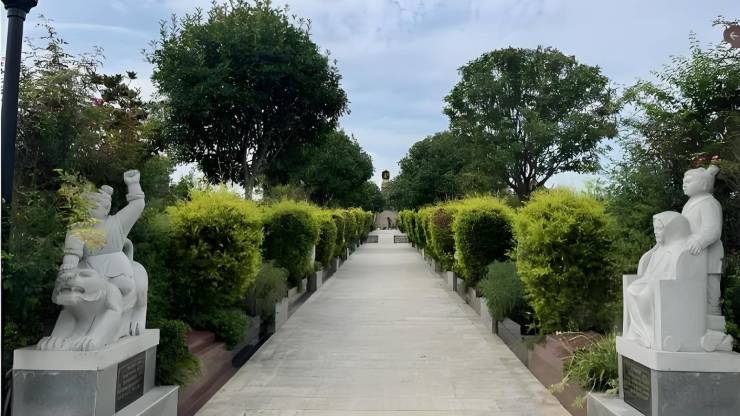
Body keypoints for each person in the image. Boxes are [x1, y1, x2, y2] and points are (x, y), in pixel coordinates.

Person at [59, 170, 145, 310]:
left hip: (116, 268)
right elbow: (72, 250)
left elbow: (137, 205)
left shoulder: (117, 222)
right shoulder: (78, 227)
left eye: (94, 205)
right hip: (88, 269)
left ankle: (120, 310)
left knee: (125, 286)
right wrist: (69, 264)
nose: (89, 208)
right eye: (86, 204)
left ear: (107, 207)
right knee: (75, 289)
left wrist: (133, 184)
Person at [624, 211, 692, 348]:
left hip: (666, 288)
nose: (656, 232)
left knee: (646, 293)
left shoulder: (678, 251)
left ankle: (649, 333)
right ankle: (640, 332)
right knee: (631, 290)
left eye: (660, 229)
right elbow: (649, 273)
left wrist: (652, 282)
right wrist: (643, 281)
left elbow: (672, 275)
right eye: (655, 229)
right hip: (652, 282)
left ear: (671, 230)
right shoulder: (657, 252)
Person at [681, 165, 723, 315]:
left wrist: (700, 240)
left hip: (709, 253)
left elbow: (713, 229)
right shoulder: (688, 205)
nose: (684, 184)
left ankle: (714, 316)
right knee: (695, 288)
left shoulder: (709, 203)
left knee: (711, 288)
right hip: (693, 254)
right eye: (683, 181)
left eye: (689, 181)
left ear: (704, 184)